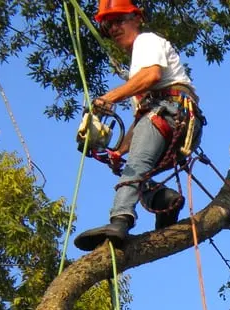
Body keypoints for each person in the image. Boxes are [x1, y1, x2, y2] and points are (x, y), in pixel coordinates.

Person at [74, 1, 203, 251]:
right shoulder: (138, 65)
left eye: (118, 21)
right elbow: (143, 120)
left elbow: (152, 76)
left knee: (135, 166)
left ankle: (120, 220)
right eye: (108, 26)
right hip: (172, 120)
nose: (113, 28)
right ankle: (164, 199)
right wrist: (119, 151)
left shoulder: (146, 41)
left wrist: (109, 98)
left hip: (172, 112)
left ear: (136, 18)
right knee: (131, 169)